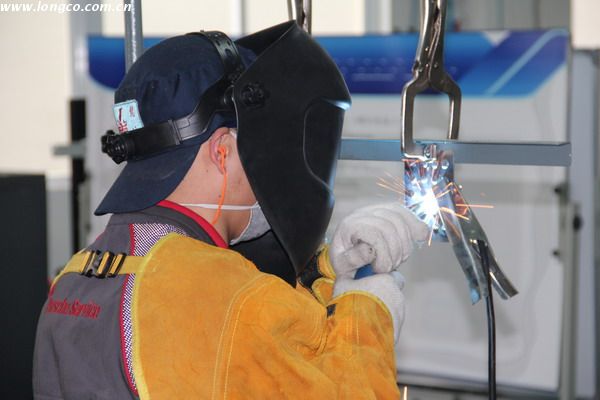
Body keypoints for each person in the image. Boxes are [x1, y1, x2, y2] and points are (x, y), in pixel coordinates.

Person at [33, 21, 428, 399]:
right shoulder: (228, 297)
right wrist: (367, 312)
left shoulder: (72, 278)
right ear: (222, 151)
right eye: (260, 146)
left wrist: (325, 272)